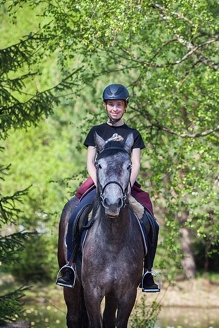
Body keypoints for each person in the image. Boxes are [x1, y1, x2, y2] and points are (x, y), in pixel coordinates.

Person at [55, 84, 160, 292]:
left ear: (125, 107)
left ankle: (147, 271)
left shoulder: (133, 134)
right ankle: (70, 266)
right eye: (111, 105)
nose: (115, 109)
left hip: (125, 185)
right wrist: (99, 184)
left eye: (118, 105)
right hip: (99, 183)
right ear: (105, 106)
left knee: (151, 222)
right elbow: (90, 162)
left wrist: (128, 185)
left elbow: (136, 163)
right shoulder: (96, 131)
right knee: (76, 215)